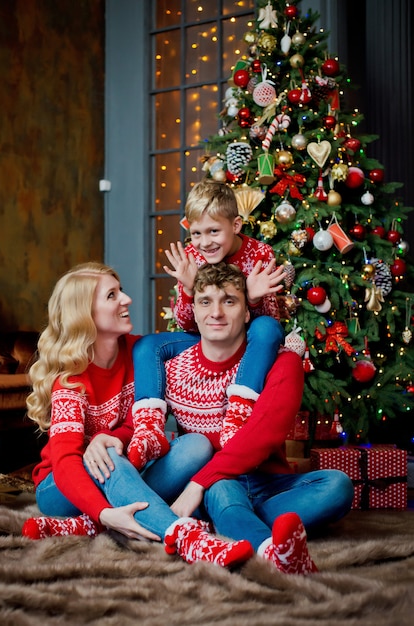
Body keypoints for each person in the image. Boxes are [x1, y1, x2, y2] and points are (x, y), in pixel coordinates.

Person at [21, 261, 254, 569]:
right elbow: (64, 461)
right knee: (108, 457)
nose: (126, 299)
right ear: (85, 314)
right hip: (63, 487)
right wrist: (104, 509)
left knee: (197, 444)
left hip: (128, 470)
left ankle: (93, 526)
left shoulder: (143, 352)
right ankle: (186, 537)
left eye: (122, 291)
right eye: (112, 295)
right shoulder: (70, 380)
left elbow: (209, 340)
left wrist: (111, 436)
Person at [146, 262, 355, 575]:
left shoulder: (281, 363)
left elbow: (261, 439)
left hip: (265, 484)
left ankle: (230, 521)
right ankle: (270, 549)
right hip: (216, 485)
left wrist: (196, 485)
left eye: (229, 301)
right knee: (222, 487)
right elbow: (143, 430)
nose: (216, 313)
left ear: (246, 313)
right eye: (205, 302)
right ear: (195, 310)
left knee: (337, 485)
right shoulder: (172, 368)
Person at [128, 178, 286, 470]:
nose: (205, 242)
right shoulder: (193, 257)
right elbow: (187, 324)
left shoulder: (259, 254)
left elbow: (271, 320)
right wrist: (188, 290)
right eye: (197, 233)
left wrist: (251, 298)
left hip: (248, 338)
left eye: (214, 231)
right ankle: (149, 429)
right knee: (148, 345)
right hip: (208, 336)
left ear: (236, 226)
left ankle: (239, 412)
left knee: (269, 329)